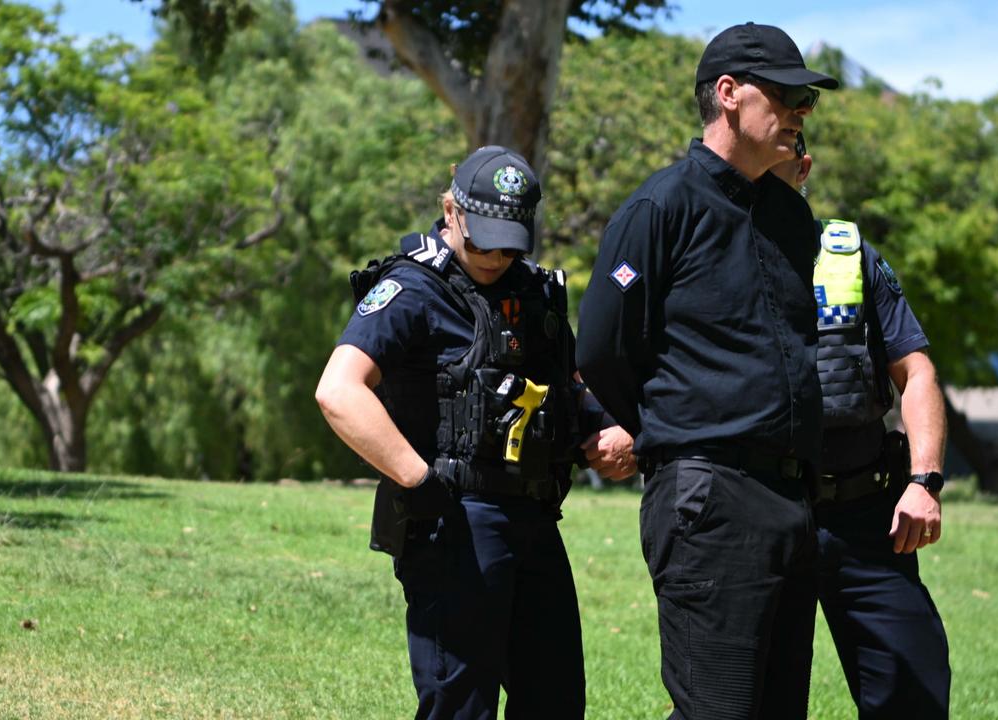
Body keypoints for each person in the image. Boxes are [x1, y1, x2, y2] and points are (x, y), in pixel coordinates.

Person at [315, 145, 635, 719]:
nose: (494, 255)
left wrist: (602, 428)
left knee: (556, 701)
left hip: (535, 521)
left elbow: (565, 383)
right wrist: (418, 481)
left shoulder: (534, 292)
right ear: (450, 209)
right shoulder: (412, 289)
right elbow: (339, 390)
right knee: (461, 706)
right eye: (482, 237)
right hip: (454, 519)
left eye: (509, 240)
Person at [576, 22, 837, 719]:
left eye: (805, 100)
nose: (801, 112)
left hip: (791, 502)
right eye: (785, 95)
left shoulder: (791, 217)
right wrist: (669, 428)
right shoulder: (661, 207)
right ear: (728, 94)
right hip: (709, 501)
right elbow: (601, 349)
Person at [771, 147, 952, 718]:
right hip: (765, 512)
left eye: (784, 166)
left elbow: (916, 371)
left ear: (803, 170)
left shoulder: (849, 258)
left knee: (913, 689)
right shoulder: (716, 257)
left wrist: (924, 481)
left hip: (865, 514)